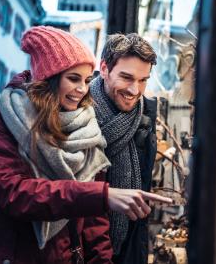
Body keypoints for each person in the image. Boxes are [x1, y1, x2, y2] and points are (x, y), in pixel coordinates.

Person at [0, 26, 172, 264]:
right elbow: (14, 192)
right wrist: (102, 195)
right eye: (73, 78)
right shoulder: (6, 120)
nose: (82, 89)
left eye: (87, 80)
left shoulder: (86, 126)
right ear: (49, 76)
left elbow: (93, 222)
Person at [90, 33, 158, 264]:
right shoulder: (77, 110)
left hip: (128, 246)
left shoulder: (146, 114)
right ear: (104, 68)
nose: (134, 90)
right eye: (126, 77)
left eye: (143, 80)